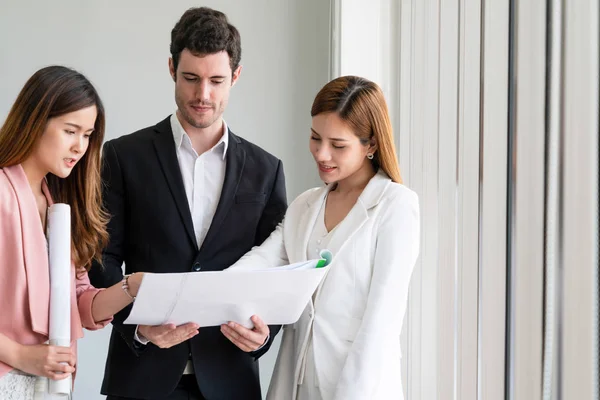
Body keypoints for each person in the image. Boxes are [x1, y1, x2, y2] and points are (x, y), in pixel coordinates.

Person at [87, 6, 287, 400]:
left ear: (236, 76)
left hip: (230, 378)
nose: (203, 95)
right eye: (191, 78)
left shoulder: (267, 170)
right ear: (171, 68)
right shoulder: (123, 156)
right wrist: (137, 326)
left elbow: (277, 267)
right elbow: (102, 259)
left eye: (217, 80)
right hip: (141, 376)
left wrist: (264, 334)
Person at [225, 76, 420, 400]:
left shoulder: (396, 206)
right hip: (296, 384)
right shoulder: (306, 205)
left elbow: (381, 323)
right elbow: (264, 259)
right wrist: (207, 291)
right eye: (316, 138)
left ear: (370, 144)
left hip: (357, 386)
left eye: (338, 145)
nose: (322, 154)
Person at [0, 66, 145, 398]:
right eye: (70, 131)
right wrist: (22, 355)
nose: (80, 146)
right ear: (35, 121)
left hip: (49, 385)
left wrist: (134, 286)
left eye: (88, 134)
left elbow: (81, 303)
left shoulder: (60, 208)